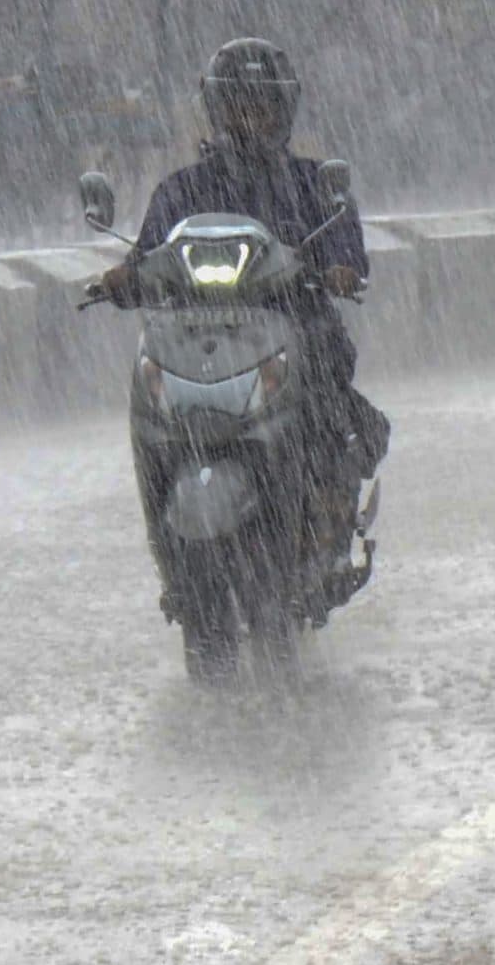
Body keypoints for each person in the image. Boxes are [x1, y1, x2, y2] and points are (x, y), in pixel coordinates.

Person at [94, 38, 388, 612]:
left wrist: (338, 271)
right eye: (237, 105)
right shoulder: (181, 190)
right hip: (194, 344)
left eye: (261, 105)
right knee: (155, 420)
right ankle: (172, 551)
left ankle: (327, 524)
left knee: (332, 412)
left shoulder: (314, 187)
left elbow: (347, 252)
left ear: (284, 109)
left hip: (294, 332)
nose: (249, 118)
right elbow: (147, 253)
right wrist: (123, 277)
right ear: (215, 109)